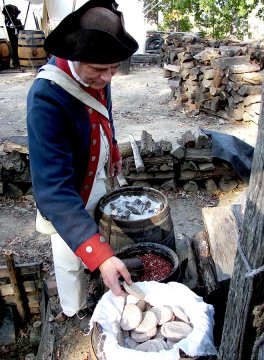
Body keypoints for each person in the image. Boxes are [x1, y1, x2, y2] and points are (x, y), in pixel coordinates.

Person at [27, 0, 138, 333]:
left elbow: (104, 108)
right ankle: (73, 310)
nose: (106, 78)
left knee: (100, 226)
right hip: (69, 187)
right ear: (75, 58)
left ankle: (99, 266)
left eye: (113, 68)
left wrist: (113, 147)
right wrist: (99, 255)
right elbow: (54, 191)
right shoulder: (46, 97)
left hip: (96, 172)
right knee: (68, 256)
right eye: (98, 70)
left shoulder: (100, 70)